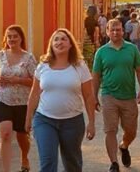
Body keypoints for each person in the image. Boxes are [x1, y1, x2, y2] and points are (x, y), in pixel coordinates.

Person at [26, 28, 96, 172]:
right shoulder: (43, 66)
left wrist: (91, 122)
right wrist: (28, 118)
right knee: (48, 163)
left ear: (70, 44)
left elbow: (89, 96)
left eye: (64, 39)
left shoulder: (79, 66)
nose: (59, 42)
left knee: (72, 164)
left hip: (72, 122)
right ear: (51, 45)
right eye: (56, 39)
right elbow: (34, 93)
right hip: (44, 120)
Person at [92, 19, 140, 172]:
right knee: (110, 130)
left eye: (118, 29)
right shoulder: (101, 52)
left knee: (131, 131)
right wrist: (94, 97)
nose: (115, 32)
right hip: (109, 95)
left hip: (128, 97)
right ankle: (114, 163)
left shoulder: (131, 49)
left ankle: (124, 146)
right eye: (112, 30)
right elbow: (96, 76)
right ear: (107, 32)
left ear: (123, 31)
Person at [0, 25, 37, 172]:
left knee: (22, 135)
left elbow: (36, 82)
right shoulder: (0, 55)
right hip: (2, 98)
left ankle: (24, 157)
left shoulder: (29, 58)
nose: (12, 39)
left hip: (23, 102)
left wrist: (17, 80)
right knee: (5, 133)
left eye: (15, 36)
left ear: (21, 38)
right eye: (9, 36)